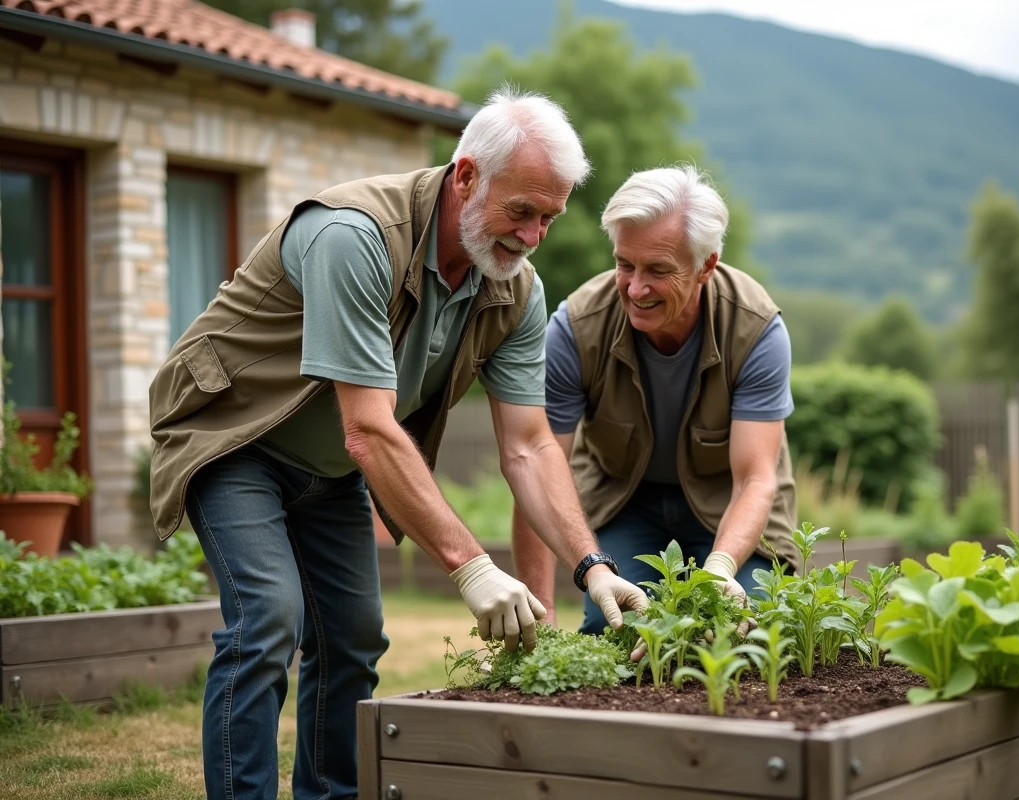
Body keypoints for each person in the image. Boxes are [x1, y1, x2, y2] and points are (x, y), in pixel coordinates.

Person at [147, 88, 646, 800]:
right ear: (467, 175)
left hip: (330, 467)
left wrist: (591, 566)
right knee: (268, 619)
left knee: (352, 639)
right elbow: (369, 427)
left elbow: (531, 448)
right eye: (522, 212)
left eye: (549, 218)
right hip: (235, 439)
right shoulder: (355, 235)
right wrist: (471, 567)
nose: (534, 235)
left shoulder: (514, 292)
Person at [511, 165, 801, 637]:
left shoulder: (756, 329)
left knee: (750, 628)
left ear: (706, 265)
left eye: (659, 270)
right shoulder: (576, 328)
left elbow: (755, 477)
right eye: (625, 264)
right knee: (615, 628)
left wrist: (720, 569)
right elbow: (536, 465)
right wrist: (540, 622)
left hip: (728, 498)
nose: (636, 288)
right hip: (623, 499)